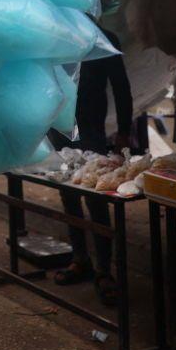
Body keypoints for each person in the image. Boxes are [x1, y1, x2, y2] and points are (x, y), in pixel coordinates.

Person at [52, 29, 132, 306]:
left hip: (91, 129)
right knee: (68, 194)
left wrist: (124, 129)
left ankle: (104, 270)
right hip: (60, 128)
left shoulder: (103, 37)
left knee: (96, 198)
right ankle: (80, 259)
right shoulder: (54, 32)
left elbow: (120, 85)